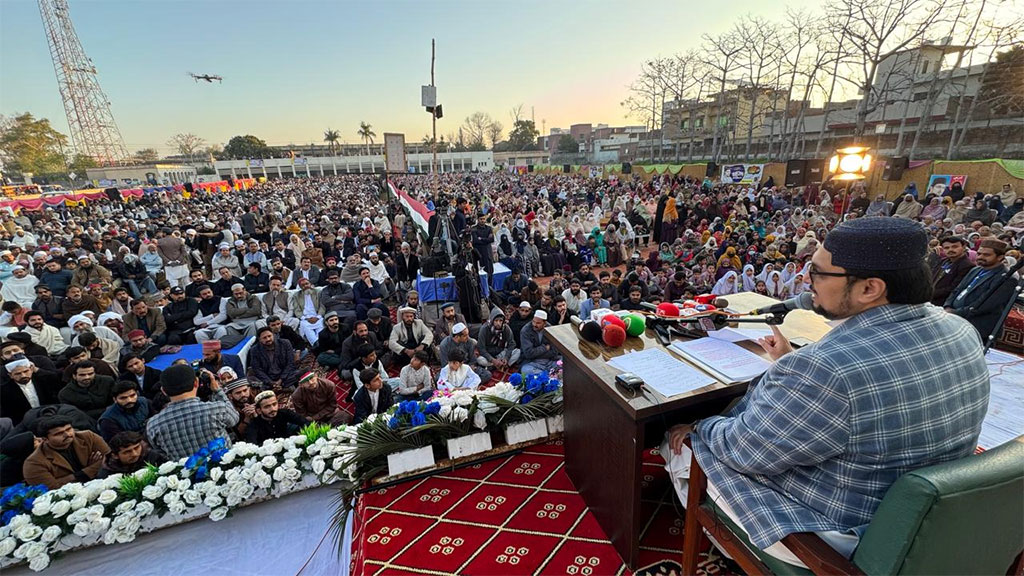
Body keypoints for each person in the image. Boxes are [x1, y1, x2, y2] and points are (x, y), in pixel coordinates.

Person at [662, 217, 989, 569]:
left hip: (840, 534)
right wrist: (792, 363)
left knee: (680, 445)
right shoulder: (961, 330)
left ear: (869, 289)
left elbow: (742, 452)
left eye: (818, 273)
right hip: (929, 521)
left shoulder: (827, 369)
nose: (805, 279)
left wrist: (698, 428)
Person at [145, 364, 239, 459]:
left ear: (163, 391)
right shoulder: (217, 409)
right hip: (227, 471)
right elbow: (234, 418)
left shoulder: (153, 424)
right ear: (196, 383)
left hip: (186, 473)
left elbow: (162, 453)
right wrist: (218, 391)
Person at [944, 238, 1018, 340]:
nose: (980, 257)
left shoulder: (1006, 278)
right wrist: (947, 306)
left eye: (986, 255)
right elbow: (957, 290)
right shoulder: (975, 270)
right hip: (955, 320)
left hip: (977, 328)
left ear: (1000, 257)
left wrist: (954, 313)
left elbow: (984, 306)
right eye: (979, 254)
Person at [23, 415, 109, 489]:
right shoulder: (34, 462)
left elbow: (110, 459)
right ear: (45, 439)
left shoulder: (88, 437)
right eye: (59, 433)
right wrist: (86, 472)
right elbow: (52, 489)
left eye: (69, 429)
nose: (68, 434)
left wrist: (67, 479)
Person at [2, 357, 63, 425]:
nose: (23, 375)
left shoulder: (43, 382)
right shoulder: (4, 390)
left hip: (51, 417)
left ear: (31, 369)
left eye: (25, 371)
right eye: (18, 374)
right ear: (10, 375)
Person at [245, 390, 309, 444]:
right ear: (259, 411)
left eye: (274, 404)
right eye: (267, 406)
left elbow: (306, 423)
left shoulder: (284, 413)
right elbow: (252, 444)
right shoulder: (254, 424)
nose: (272, 409)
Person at [247, 326, 300, 391]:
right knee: (250, 378)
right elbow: (257, 368)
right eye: (264, 338)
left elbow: (290, 363)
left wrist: (281, 379)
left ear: (273, 335)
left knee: (300, 372)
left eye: (269, 336)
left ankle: (277, 387)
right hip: (267, 377)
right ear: (259, 339)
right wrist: (270, 382)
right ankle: (283, 387)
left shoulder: (285, 343)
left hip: (284, 375)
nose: (268, 339)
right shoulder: (254, 350)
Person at [97, 430, 168, 479]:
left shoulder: (153, 457)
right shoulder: (107, 473)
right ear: (115, 455)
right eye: (127, 452)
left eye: (137, 448)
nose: (135, 454)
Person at [931, 236, 974, 306]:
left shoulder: (967, 265)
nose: (950, 250)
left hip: (944, 303)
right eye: (946, 248)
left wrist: (928, 294)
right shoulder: (943, 261)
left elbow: (954, 288)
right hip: (930, 300)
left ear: (963, 247)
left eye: (955, 247)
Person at [477, 307, 521, 372]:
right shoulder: (484, 329)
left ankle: (499, 365)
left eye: (500, 321)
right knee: (480, 360)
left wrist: (506, 357)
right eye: (496, 321)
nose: (498, 323)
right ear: (492, 320)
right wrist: (492, 360)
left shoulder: (506, 328)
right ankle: (498, 365)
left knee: (518, 352)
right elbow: (481, 348)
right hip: (489, 354)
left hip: (501, 353)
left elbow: (512, 343)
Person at [519, 310, 561, 375]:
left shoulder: (550, 329)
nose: (534, 325)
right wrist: (544, 348)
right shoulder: (526, 331)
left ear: (544, 323)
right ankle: (549, 375)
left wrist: (537, 353)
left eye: (538, 323)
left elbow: (554, 351)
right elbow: (528, 353)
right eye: (533, 322)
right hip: (532, 362)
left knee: (566, 363)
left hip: (549, 360)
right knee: (525, 370)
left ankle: (546, 375)